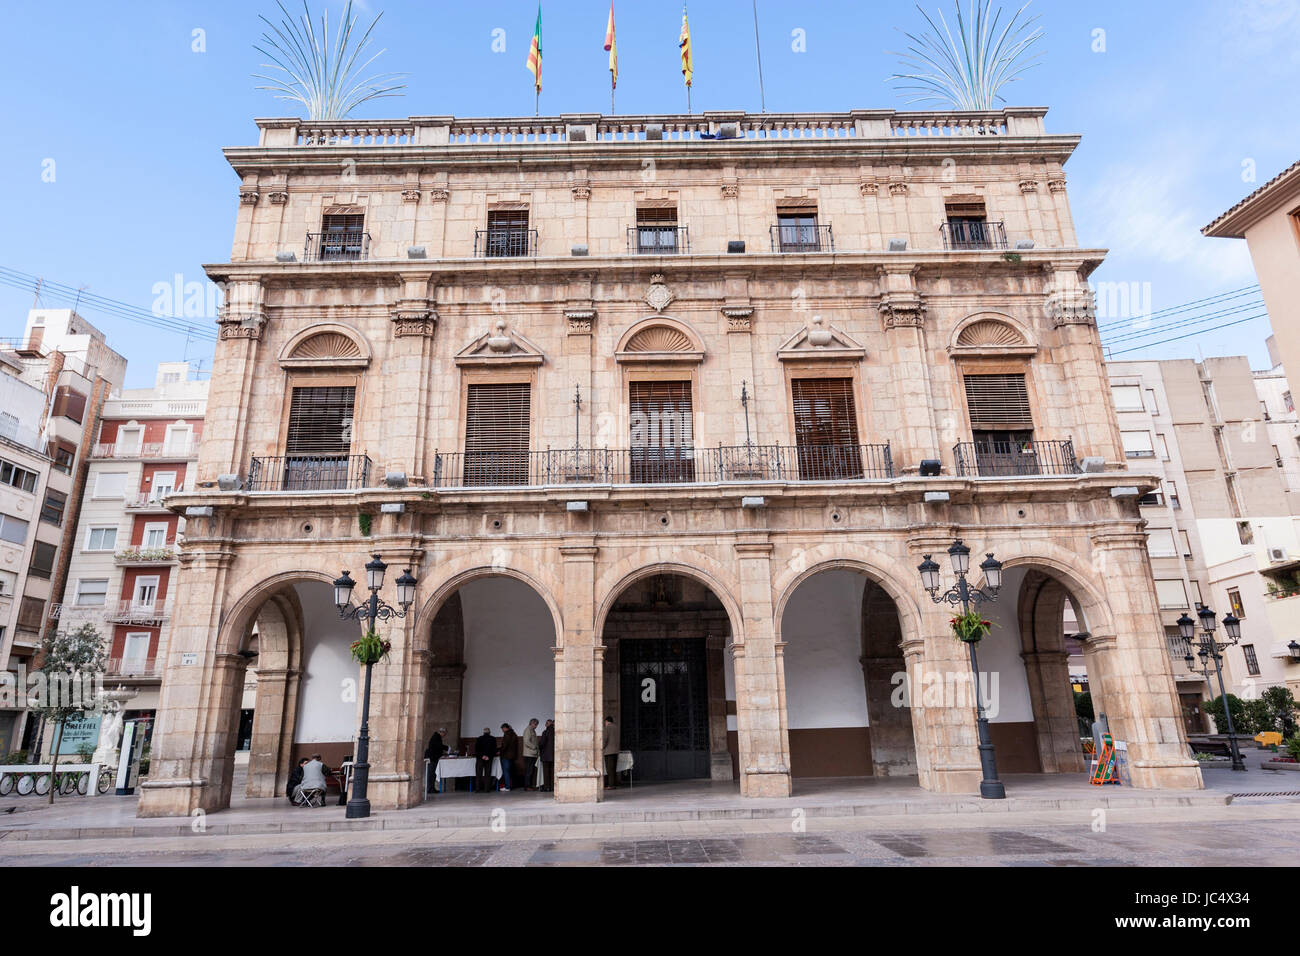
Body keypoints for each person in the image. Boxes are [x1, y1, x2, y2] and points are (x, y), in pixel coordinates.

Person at [474, 727, 497, 793]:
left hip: (480, 759)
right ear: (489, 732)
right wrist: (488, 756)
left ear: (483, 732)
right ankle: (486, 789)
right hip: (489, 759)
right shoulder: (493, 739)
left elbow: (476, 750)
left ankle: (477, 789)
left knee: (478, 774)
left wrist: (482, 756)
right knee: (487, 774)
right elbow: (494, 750)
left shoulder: (479, 739)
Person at [498, 723, 520, 791]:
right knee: (510, 771)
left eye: (502, 729)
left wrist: (500, 751)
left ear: (505, 728)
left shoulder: (507, 734)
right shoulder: (514, 734)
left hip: (506, 755)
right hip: (512, 756)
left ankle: (507, 787)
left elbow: (505, 745)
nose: (502, 730)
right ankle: (510, 785)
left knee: (506, 771)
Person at [425, 728, 446, 794]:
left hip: (434, 758)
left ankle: (432, 788)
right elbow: (438, 746)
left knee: (433, 774)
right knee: (431, 774)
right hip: (432, 758)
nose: (444, 735)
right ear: (441, 732)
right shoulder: (436, 737)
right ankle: (429, 789)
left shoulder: (436, 737)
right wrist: (446, 748)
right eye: (444, 734)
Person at [522, 718, 540, 790]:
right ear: (531, 723)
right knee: (528, 771)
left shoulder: (532, 730)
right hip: (529, 754)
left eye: (536, 725)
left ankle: (529, 785)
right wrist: (534, 747)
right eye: (535, 724)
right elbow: (526, 741)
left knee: (531, 771)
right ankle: (527, 786)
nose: (536, 726)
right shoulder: (528, 730)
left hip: (532, 754)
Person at [602, 716, 620, 789]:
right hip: (615, 751)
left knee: (609, 769)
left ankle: (610, 785)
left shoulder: (607, 728)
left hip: (608, 751)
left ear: (606, 721)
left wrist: (602, 747)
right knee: (614, 768)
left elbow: (605, 739)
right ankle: (614, 784)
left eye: (604, 722)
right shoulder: (616, 728)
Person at [539, 719, 555, 792]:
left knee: (546, 772)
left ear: (548, 724)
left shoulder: (545, 732)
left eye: (546, 723)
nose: (545, 724)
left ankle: (547, 787)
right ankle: (552, 787)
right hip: (554, 755)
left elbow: (542, 743)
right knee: (552, 771)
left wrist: (539, 748)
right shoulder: (555, 732)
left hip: (545, 755)